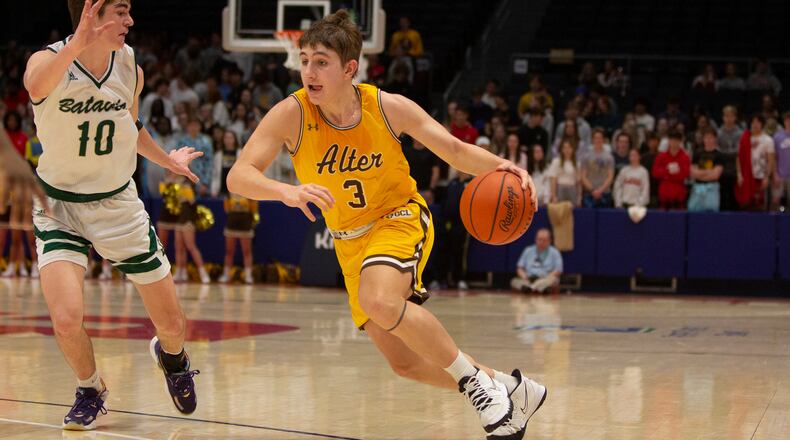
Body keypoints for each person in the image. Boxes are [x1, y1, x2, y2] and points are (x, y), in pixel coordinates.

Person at [227, 10, 546, 438]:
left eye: (321, 61)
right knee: (406, 364)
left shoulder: (386, 106)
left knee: (380, 301)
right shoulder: (292, 113)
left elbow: (452, 149)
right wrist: (286, 191)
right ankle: (511, 389)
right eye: (304, 60)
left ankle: (477, 389)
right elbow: (238, 176)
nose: (309, 71)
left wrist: (505, 165)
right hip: (348, 242)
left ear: (349, 68)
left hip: (399, 218)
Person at [23, 0, 200, 430]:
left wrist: (167, 162)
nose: (130, 21)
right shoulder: (46, 62)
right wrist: (78, 42)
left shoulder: (130, 66)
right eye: (120, 12)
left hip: (117, 204)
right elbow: (34, 87)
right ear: (92, 13)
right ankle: (90, 388)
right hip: (59, 205)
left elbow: (130, 127)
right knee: (65, 320)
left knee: (173, 324)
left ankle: (172, 358)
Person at [510, 228, 562, 293]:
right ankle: (532, 288)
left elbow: (558, 270)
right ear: (535, 239)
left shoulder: (555, 252)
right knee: (514, 281)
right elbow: (519, 268)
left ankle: (536, 288)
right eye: (539, 239)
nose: (541, 242)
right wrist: (524, 277)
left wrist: (546, 277)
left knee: (553, 280)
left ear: (549, 241)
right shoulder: (528, 250)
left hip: (545, 278)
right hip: (529, 279)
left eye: (544, 240)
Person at [688, 128, 724, 212]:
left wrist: (700, 173)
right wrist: (708, 171)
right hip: (697, 188)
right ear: (703, 139)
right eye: (706, 138)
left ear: (715, 139)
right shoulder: (697, 154)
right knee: (693, 210)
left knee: (711, 212)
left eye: (711, 138)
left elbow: (715, 175)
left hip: (712, 188)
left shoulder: (719, 155)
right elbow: (693, 173)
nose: (708, 140)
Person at [652, 130, 690, 210]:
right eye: (672, 140)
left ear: (680, 142)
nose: (674, 143)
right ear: (669, 141)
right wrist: (669, 171)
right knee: (662, 220)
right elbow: (655, 172)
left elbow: (685, 173)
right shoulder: (661, 156)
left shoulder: (685, 157)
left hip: (679, 195)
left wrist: (666, 175)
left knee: (679, 220)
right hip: (664, 195)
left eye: (676, 140)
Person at [580, 129, 615, 208]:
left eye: (600, 138)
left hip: (605, 193)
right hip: (589, 193)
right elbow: (583, 176)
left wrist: (600, 190)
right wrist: (592, 190)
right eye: (596, 138)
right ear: (592, 140)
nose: (598, 140)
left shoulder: (609, 157)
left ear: (603, 140)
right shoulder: (586, 156)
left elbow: (610, 176)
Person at [549, 140, 581, 206]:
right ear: (562, 150)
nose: (567, 150)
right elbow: (553, 180)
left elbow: (578, 183)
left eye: (569, 148)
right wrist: (554, 196)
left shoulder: (577, 164)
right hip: (560, 189)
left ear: (573, 149)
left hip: (572, 190)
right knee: (560, 214)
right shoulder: (556, 162)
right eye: (565, 148)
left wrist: (579, 198)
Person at [772, 111, 790, 211]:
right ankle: (773, 225)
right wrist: (775, 174)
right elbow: (774, 157)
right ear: (784, 121)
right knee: (775, 201)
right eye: (788, 120)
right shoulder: (777, 137)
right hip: (780, 174)